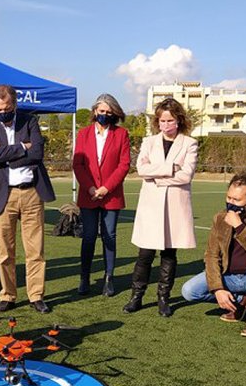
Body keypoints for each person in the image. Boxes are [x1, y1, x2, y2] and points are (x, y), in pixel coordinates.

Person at [180, 174, 246, 338]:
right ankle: (240, 300)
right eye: (229, 197)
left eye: (237, 200)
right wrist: (217, 288)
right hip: (229, 276)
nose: (231, 203)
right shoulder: (220, 217)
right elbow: (211, 255)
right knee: (189, 291)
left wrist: (239, 226)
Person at [0, 85, 56, 314]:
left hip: (31, 192)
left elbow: (38, 153)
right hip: (3, 195)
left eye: (7, 107)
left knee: (35, 250)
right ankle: (8, 295)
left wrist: (6, 153)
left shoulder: (29, 121)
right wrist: (22, 147)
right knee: (5, 251)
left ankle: (36, 295)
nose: (3, 111)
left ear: (15, 105)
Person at [123, 98, 198, 316]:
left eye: (170, 120)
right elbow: (142, 169)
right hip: (150, 207)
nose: (166, 125)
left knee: (168, 254)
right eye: (162, 120)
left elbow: (186, 175)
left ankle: (163, 299)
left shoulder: (189, 143)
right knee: (144, 254)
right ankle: (136, 296)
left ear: (179, 120)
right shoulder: (148, 142)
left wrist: (158, 177)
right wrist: (169, 168)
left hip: (175, 206)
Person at [72, 93, 131, 297]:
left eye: (108, 112)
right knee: (88, 237)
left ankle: (109, 278)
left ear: (113, 113)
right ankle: (84, 278)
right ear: (94, 111)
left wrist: (106, 187)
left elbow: (124, 165)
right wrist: (89, 187)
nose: (104, 114)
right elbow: (78, 164)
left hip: (111, 195)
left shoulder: (121, 134)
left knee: (109, 237)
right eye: (101, 111)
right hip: (88, 194)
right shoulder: (83, 134)